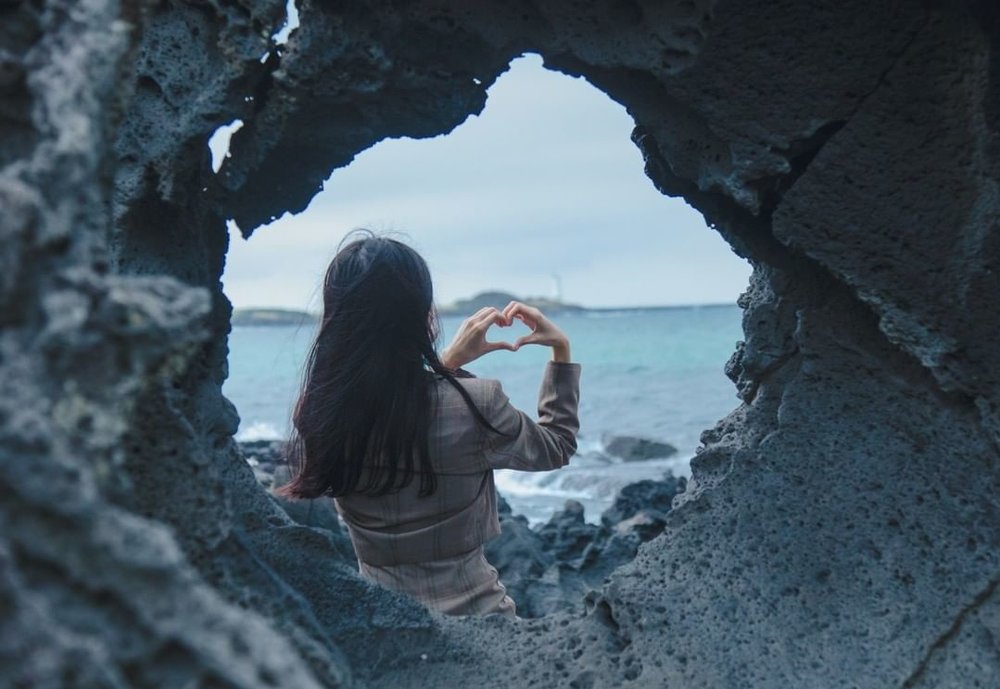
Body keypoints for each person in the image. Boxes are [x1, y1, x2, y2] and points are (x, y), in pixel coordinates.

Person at [276, 231, 581, 618]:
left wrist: (446, 364)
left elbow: (397, 408)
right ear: (422, 314)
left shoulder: (319, 411)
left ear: (336, 316)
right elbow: (556, 446)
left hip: (384, 626)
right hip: (482, 621)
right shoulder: (478, 403)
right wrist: (561, 353)